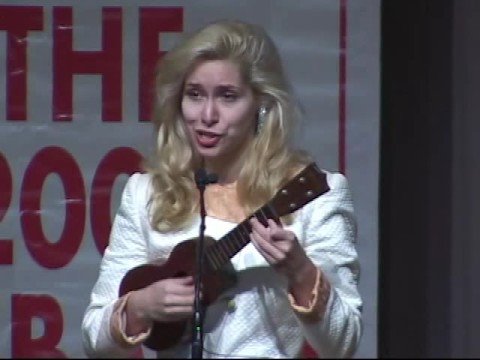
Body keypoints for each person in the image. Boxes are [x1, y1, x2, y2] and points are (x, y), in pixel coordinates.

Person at [81, 19, 362, 358]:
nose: (207, 115)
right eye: (194, 95)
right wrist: (140, 307)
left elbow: (343, 345)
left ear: (260, 103)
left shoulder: (315, 195)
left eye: (228, 97)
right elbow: (95, 341)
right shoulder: (146, 193)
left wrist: (300, 271)